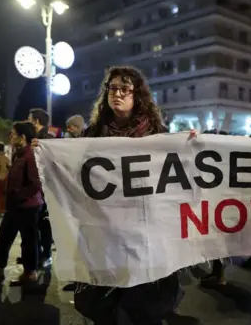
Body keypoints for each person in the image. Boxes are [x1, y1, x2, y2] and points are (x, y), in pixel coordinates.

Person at [63, 65, 179, 325]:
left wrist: (192, 146)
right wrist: (45, 155)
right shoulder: (91, 135)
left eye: (125, 89)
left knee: (143, 308)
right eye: (112, 88)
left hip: (144, 236)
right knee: (106, 309)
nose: (117, 93)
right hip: (104, 234)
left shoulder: (157, 135)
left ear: (137, 95)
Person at [0, 121, 43, 286]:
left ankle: (30, 273)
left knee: (29, 240)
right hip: (16, 206)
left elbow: (36, 183)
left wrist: (20, 196)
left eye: (13, 134)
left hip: (28, 207)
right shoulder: (19, 153)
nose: (10, 137)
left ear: (23, 137)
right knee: (3, 237)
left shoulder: (31, 155)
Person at [27, 108, 54, 268]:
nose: (27, 121)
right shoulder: (32, 138)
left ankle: (46, 254)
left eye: (29, 119)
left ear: (36, 121)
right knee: (33, 225)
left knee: (44, 224)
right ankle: (35, 254)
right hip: (34, 188)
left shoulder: (48, 139)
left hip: (45, 189)